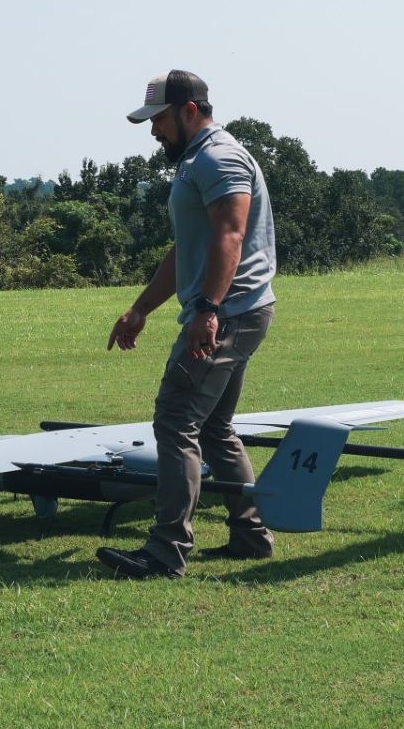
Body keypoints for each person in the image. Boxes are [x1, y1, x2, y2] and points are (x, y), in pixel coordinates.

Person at [96, 70, 278, 579]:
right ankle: (250, 536)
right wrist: (141, 309)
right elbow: (188, 247)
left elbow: (230, 235)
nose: (154, 131)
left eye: (159, 120)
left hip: (230, 312)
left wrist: (208, 310)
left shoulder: (218, 157)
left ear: (189, 110)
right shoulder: (196, 161)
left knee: (176, 419)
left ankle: (165, 551)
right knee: (216, 427)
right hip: (234, 310)